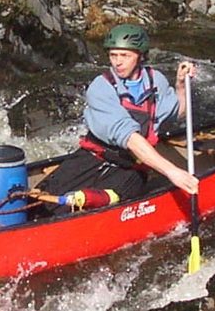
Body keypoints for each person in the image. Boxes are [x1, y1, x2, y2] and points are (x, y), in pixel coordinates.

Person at [37, 23, 199, 211]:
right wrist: (172, 171)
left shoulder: (156, 80)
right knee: (44, 203)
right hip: (91, 160)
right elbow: (130, 138)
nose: (117, 62)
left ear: (140, 55)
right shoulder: (101, 87)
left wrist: (180, 85)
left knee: (102, 202)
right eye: (113, 55)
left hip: (130, 170)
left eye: (125, 56)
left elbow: (175, 113)